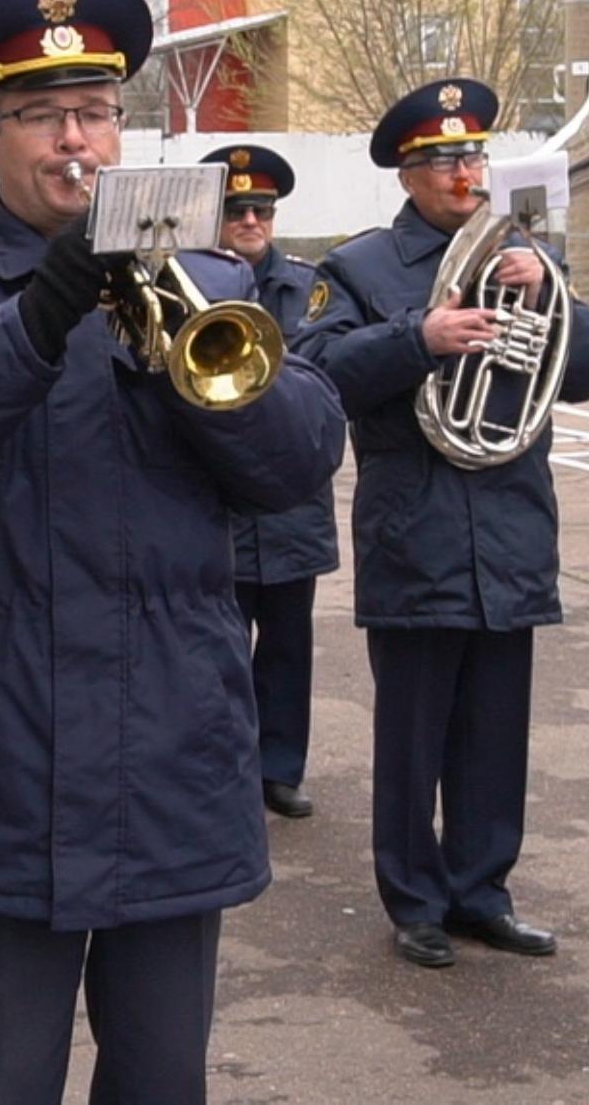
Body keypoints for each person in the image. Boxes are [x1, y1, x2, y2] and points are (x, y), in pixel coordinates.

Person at [0, 0, 345, 1104]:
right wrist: (41, 309)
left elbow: (296, 464)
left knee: (162, 1081)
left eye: (100, 112)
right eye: (45, 116)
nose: (77, 140)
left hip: (171, 756)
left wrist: (181, 351)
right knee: (4, 1084)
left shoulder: (211, 280)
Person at [292, 77, 589, 969]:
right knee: (414, 734)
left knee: (494, 732)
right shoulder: (357, 269)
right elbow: (312, 372)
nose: (465, 172)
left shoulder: (526, 253)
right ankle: (416, 900)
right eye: (443, 160)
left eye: (474, 155)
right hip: (417, 526)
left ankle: (483, 893)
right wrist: (419, 339)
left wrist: (550, 288)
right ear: (407, 172)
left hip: (512, 525)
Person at [199, 144, 339, 819]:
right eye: (235, 211)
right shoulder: (188, 283)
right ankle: (219, 766)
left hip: (289, 505)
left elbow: (322, 382)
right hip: (216, 500)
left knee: (287, 645)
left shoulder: (310, 288)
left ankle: (278, 768)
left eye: (260, 210)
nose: (250, 221)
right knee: (212, 648)